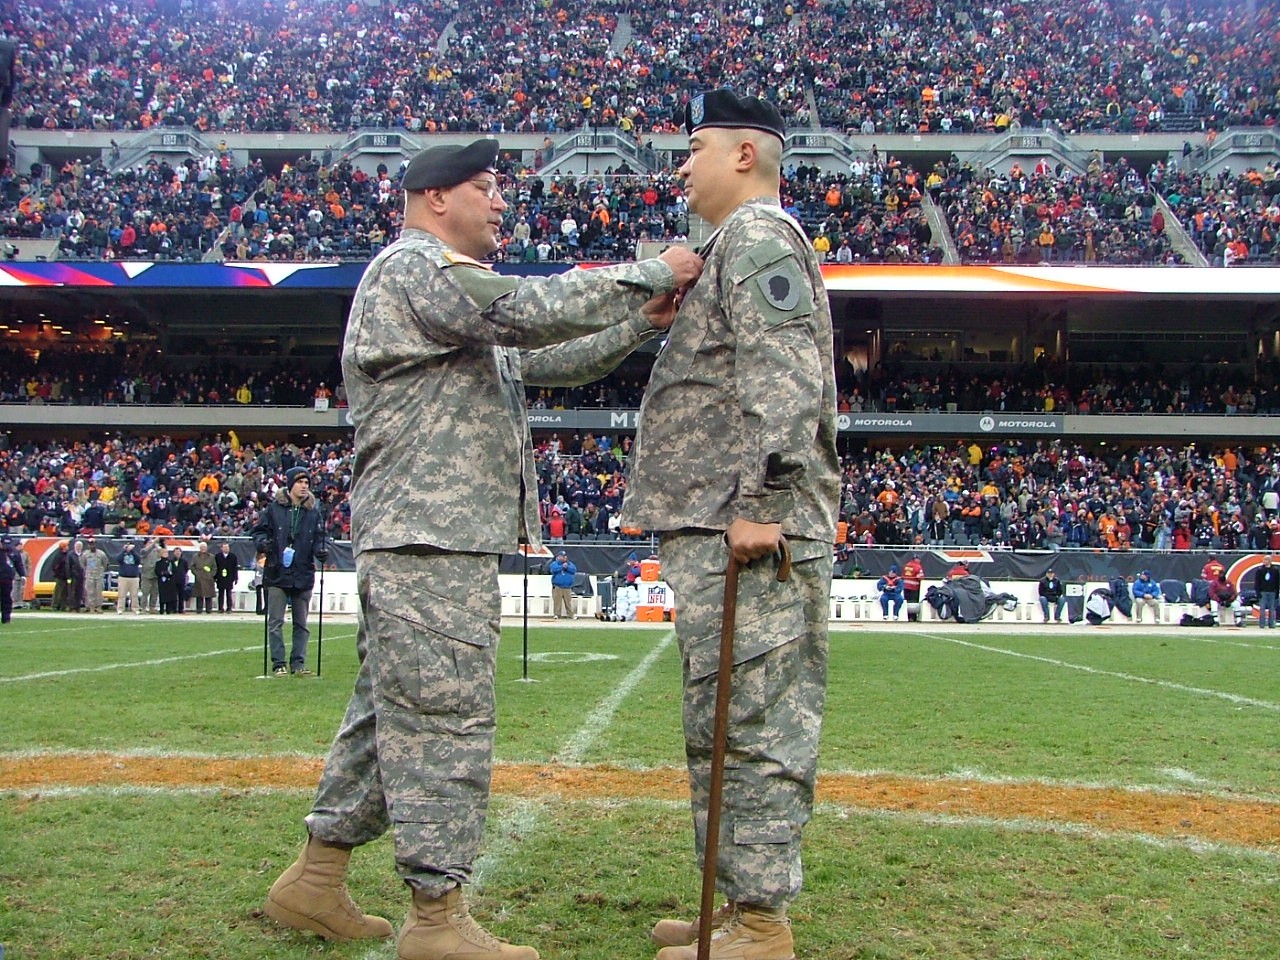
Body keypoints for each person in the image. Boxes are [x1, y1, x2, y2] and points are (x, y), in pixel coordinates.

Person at [262, 137, 701, 960]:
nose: (501, 203)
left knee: (389, 715)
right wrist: (653, 270)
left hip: (432, 539)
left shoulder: (447, 302)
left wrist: (639, 323)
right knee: (443, 721)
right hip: (430, 539)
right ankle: (437, 919)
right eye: (486, 188)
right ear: (436, 199)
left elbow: (548, 360)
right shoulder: (416, 270)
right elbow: (529, 311)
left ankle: (314, 882)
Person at [621, 90, 839, 960]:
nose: (683, 164)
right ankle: (735, 908)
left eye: (696, 146)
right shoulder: (727, 249)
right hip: (718, 527)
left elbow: (784, 378)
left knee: (754, 724)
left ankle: (761, 924)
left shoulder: (757, 239)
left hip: (747, 529)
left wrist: (763, 505)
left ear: (744, 155)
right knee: (721, 720)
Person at [253, 467, 327, 677]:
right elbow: (258, 532)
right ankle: (278, 664)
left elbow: (321, 536)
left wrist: (321, 551)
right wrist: (263, 544)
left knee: (301, 623)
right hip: (277, 571)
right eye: (300, 482)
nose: (304, 486)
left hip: (303, 572)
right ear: (290, 484)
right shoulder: (274, 509)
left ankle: (298, 664)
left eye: (307, 483)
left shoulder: (314, 512)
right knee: (275, 621)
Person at [156, 546, 188, 614]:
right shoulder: (171, 561)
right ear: (174, 553)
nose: (177, 553)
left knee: (181, 596)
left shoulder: (184, 561)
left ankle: (181, 609)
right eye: (176, 552)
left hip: (181, 580)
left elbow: (186, 569)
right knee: (173, 596)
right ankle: (173, 609)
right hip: (173, 581)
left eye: (178, 552)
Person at [81, 537, 109, 613]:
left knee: (98, 592)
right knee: (90, 592)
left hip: (99, 576)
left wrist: (101, 571)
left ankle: (98, 606)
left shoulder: (101, 554)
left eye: (93, 544)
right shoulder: (85, 554)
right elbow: (83, 564)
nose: (91, 546)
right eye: (90, 544)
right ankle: (91, 607)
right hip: (89, 576)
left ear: (96, 544)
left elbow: (105, 563)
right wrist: (87, 571)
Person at [548, 549, 577, 619]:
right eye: (562, 556)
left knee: (568, 602)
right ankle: (557, 614)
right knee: (557, 602)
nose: (564, 558)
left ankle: (571, 614)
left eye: (565, 556)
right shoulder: (555, 563)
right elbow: (553, 570)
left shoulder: (569, 564)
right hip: (558, 586)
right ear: (558, 557)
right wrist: (562, 567)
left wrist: (567, 567)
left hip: (567, 587)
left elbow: (574, 570)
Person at [116, 539, 142, 613]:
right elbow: (118, 559)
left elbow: (138, 560)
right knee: (122, 594)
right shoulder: (122, 554)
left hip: (134, 577)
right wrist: (125, 551)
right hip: (123, 577)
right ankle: (120, 608)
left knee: (134, 595)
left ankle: (135, 608)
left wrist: (132, 551)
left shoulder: (135, 554)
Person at [191, 541, 217, 614]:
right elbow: (192, 567)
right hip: (199, 578)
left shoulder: (211, 557)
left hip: (208, 578)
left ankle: (209, 609)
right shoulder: (195, 556)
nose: (203, 549)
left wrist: (211, 575)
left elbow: (215, 567)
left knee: (209, 595)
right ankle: (199, 609)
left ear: (206, 548)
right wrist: (196, 574)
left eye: (204, 547)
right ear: (199, 548)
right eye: (201, 547)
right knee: (199, 595)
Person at [1253, 554, 1279, 628]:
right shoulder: (1260, 570)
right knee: (1262, 609)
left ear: (1270, 561)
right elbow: (1257, 582)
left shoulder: (1275, 570)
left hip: (1272, 591)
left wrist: (1276, 592)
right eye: (1264, 560)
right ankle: (1262, 624)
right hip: (1263, 591)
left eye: (1266, 560)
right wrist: (1258, 592)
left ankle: (1271, 624)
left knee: (1272, 609)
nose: (1264, 561)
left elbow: (1277, 582)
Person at [139, 536, 163, 613]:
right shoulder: (143, 551)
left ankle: (152, 607)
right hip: (146, 575)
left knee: (154, 592)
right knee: (145, 592)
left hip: (155, 574)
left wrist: (156, 545)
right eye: (149, 543)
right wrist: (153, 542)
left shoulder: (156, 551)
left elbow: (162, 552)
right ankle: (143, 607)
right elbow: (146, 551)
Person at [214, 541, 240, 613]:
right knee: (221, 593)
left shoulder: (233, 556)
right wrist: (215, 577)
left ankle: (229, 608)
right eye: (225, 547)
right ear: (221, 548)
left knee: (229, 593)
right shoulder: (218, 556)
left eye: (227, 547)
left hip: (229, 577)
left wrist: (235, 578)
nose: (226, 549)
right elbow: (216, 567)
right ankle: (220, 608)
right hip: (220, 578)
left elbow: (235, 568)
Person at [0, 534, 20, 624]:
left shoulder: (14, 552)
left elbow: (18, 564)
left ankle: (6, 618)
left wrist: (22, 574)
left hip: (7, 579)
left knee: (6, 598)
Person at [51, 540, 75, 611]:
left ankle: (63, 606)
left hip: (66, 577)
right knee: (58, 592)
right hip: (60, 577)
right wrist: (59, 574)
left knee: (65, 593)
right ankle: (55, 605)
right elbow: (55, 567)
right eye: (66, 546)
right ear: (63, 547)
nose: (67, 547)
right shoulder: (58, 556)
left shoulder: (68, 555)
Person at [900, 554, 924, 621]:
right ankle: (913, 618)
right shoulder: (918, 566)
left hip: (905, 586)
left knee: (907, 602)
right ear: (916, 559)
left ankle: (907, 616)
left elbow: (903, 575)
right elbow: (920, 577)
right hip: (914, 587)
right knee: (914, 602)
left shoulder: (906, 565)